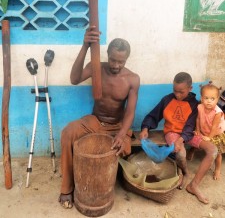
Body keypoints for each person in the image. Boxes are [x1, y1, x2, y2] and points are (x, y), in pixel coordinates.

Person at [58, 26, 140, 209]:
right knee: (67, 133)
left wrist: (121, 133)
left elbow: (130, 111)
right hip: (95, 121)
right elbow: (74, 78)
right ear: (107, 54)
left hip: (117, 126)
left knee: (121, 148)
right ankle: (66, 188)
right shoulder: (96, 68)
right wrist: (85, 46)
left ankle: (105, 184)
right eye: (113, 59)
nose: (116, 65)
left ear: (126, 59)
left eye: (121, 61)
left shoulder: (133, 79)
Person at [139, 72, 218, 204]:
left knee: (213, 150)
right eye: (175, 91)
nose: (177, 94)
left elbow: (190, 126)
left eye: (181, 92)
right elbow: (153, 115)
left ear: (190, 88)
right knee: (181, 154)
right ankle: (185, 172)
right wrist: (145, 128)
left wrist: (181, 140)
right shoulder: (167, 99)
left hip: (189, 133)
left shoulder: (195, 104)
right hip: (172, 133)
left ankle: (194, 185)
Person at [194, 83, 225, 180]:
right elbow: (198, 119)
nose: (209, 101)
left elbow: (215, 127)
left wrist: (209, 137)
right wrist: (198, 130)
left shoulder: (217, 112)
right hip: (204, 129)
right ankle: (192, 151)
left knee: (218, 153)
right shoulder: (200, 107)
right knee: (196, 140)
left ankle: (218, 169)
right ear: (202, 98)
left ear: (217, 99)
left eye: (212, 99)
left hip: (215, 133)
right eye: (206, 98)